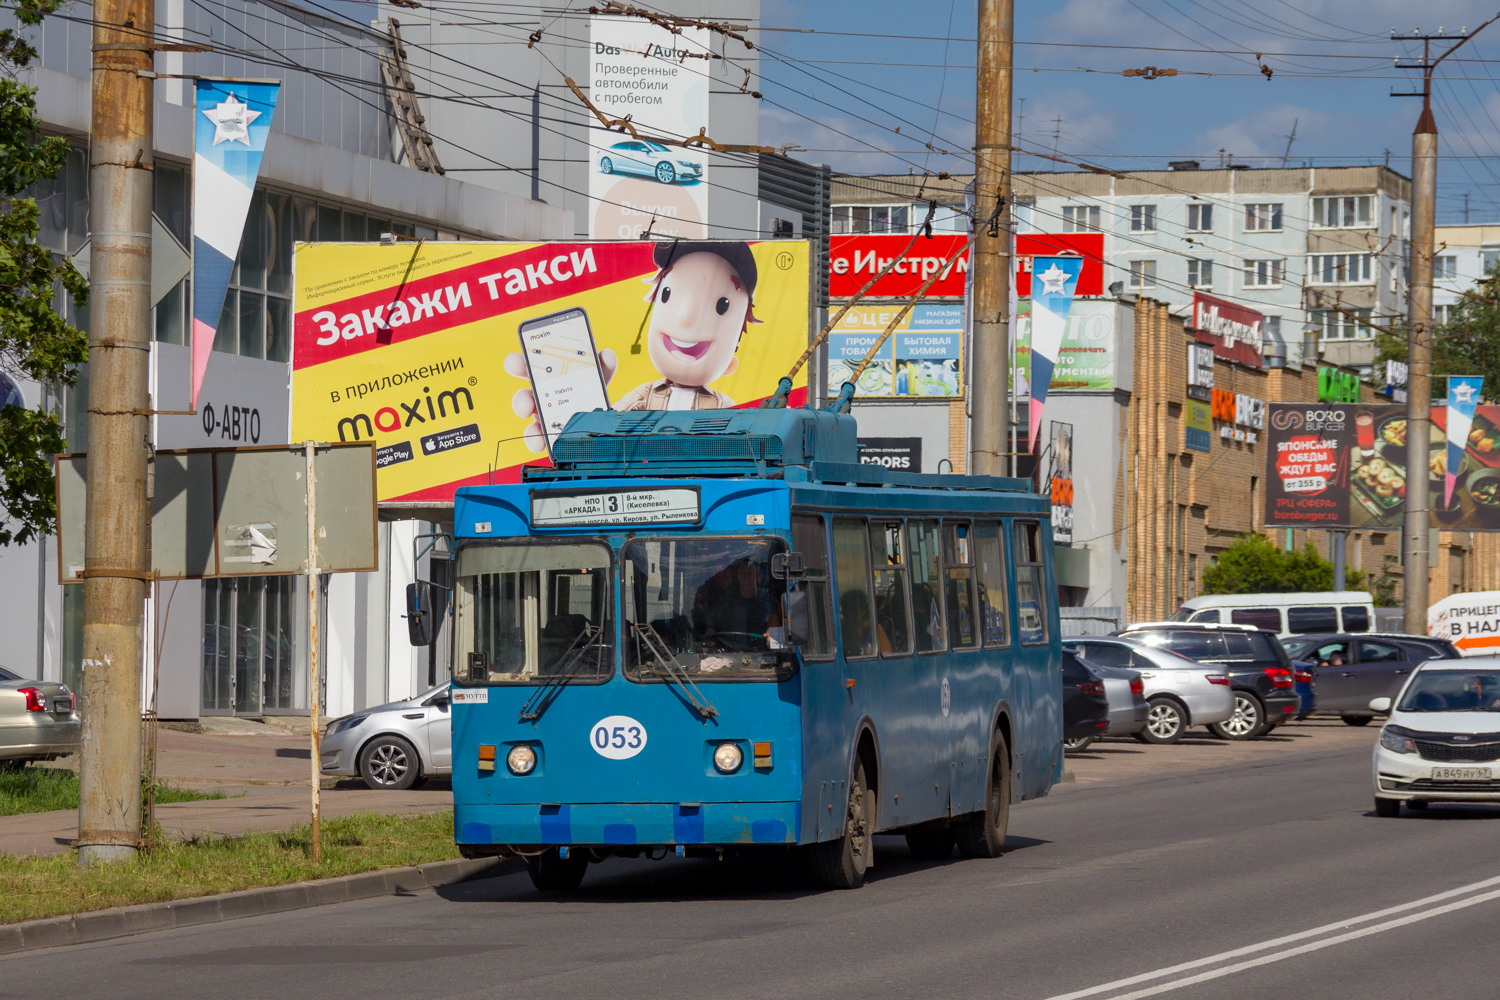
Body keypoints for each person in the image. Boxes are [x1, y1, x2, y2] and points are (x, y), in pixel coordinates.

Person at [612, 241, 761, 411]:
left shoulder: (722, 405)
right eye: (666, 294)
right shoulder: (646, 393)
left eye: (722, 305)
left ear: (731, 359)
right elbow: (608, 421)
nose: (686, 317)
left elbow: (736, 435)